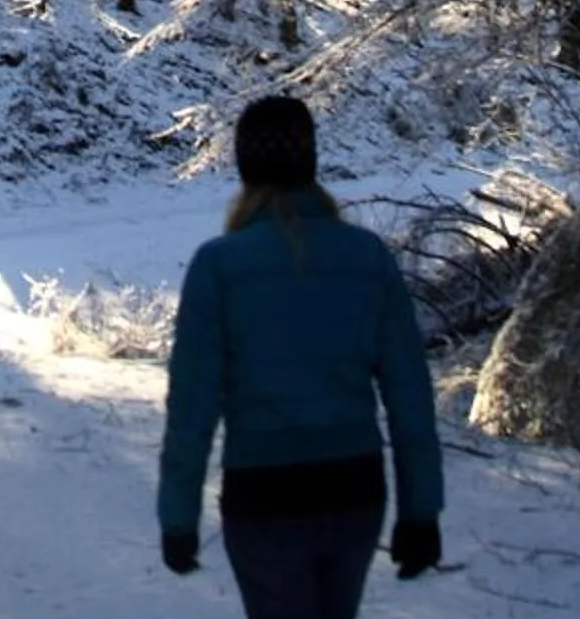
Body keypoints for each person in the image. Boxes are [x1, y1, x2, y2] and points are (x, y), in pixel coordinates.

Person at [157, 94, 444, 618]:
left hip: (263, 495)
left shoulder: (218, 266)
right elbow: (410, 394)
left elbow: (192, 407)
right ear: (311, 161)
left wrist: (178, 517)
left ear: (244, 166)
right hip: (355, 489)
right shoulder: (367, 256)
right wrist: (420, 511)